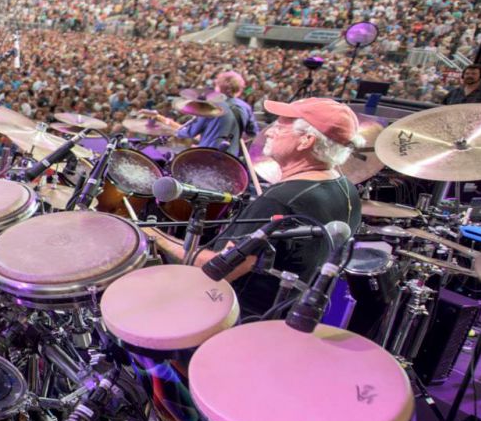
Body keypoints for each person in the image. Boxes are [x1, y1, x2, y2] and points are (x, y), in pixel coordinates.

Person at [146, 97, 362, 320]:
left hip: (239, 317)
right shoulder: (345, 188)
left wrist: (155, 236)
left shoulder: (279, 201)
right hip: (288, 312)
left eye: (279, 126)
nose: (268, 132)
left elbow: (217, 271)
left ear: (306, 140)